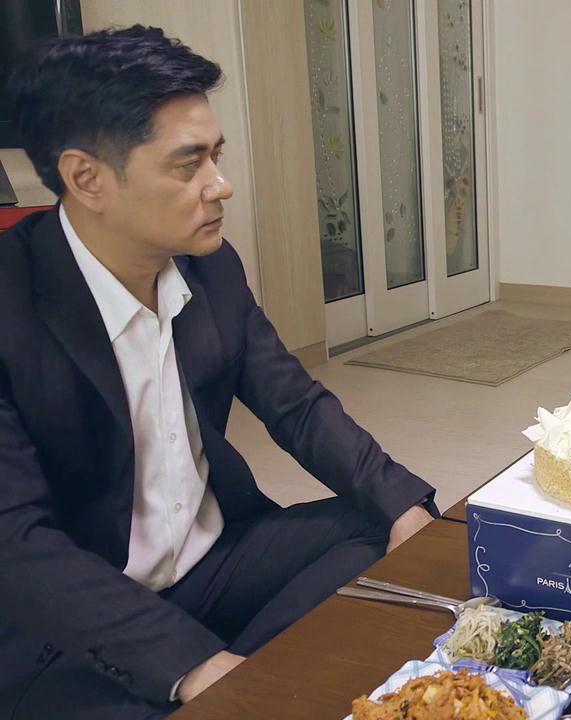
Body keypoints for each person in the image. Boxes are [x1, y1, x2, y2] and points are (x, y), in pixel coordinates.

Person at [0, 27, 438, 718]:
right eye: (188, 165)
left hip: (212, 563)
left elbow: (295, 403)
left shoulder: (209, 267)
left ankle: (245, 681)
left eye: (216, 156)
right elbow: (16, 544)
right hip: (71, 625)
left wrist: (406, 507)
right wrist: (189, 663)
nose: (221, 185)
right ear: (86, 178)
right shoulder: (13, 300)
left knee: (382, 528)